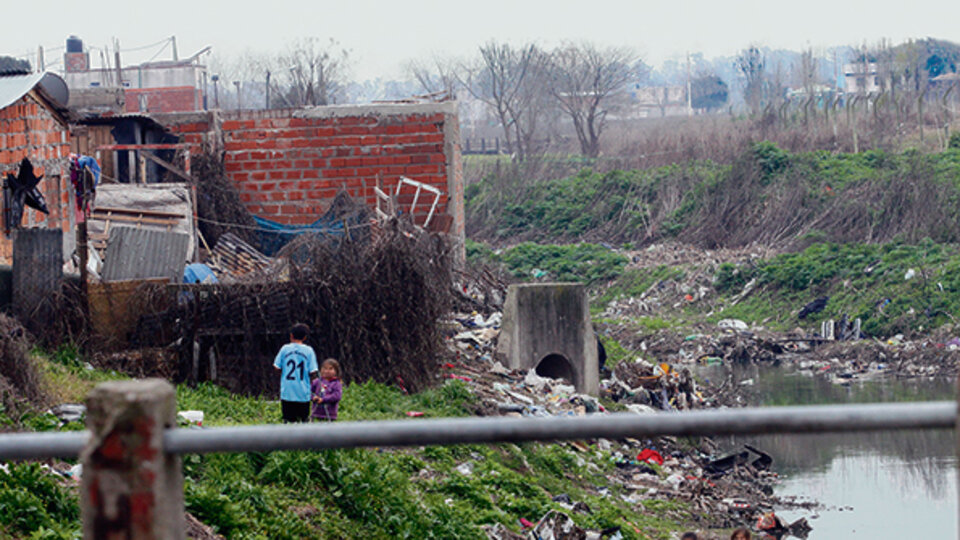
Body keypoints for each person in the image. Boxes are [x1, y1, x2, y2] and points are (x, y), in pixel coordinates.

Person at [273, 323, 318, 423]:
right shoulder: (309, 351)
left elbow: (276, 366)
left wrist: (284, 373)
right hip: (303, 393)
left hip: (287, 392)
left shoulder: (285, 349)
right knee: (303, 420)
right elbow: (313, 371)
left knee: (288, 421)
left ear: (291, 335)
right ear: (305, 337)